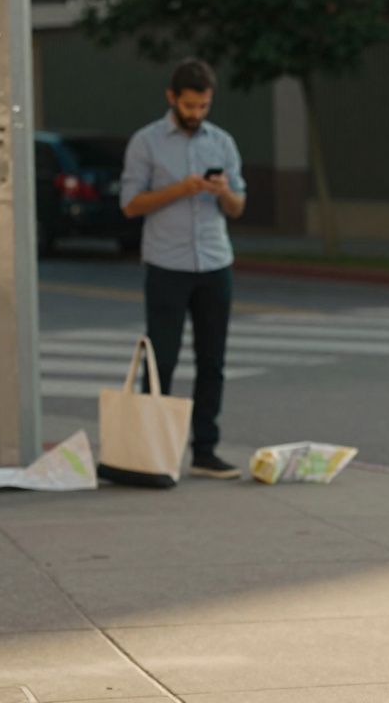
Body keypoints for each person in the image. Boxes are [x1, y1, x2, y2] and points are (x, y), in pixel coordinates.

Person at [119, 57, 247, 479]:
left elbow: (238, 207)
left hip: (214, 262)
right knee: (163, 360)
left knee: (213, 361)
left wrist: (223, 192)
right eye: (189, 106)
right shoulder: (146, 142)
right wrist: (180, 189)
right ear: (171, 97)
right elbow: (130, 204)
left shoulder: (222, 142)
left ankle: (205, 451)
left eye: (204, 106)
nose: (196, 114)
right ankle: (151, 453)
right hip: (166, 265)